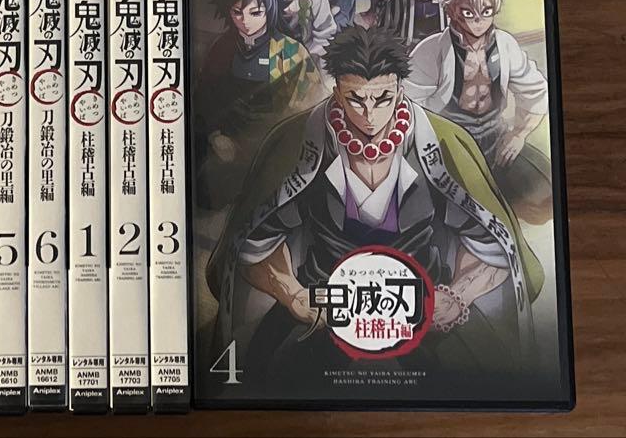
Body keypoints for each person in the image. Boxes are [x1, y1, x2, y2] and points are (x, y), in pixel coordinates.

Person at [205, 25, 542, 396]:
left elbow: (491, 245)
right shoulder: (300, 141)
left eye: (383, 98)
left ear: (400, 89)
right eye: (356, 99)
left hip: (422, 301)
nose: (369, 115)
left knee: (480, 387)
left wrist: (460, 294)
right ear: (337, 91)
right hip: (324, 303)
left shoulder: (440, 142)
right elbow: (255, 244)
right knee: (267, 389)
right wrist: (290, 292)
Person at [403, 0, 552, 224]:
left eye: (486, 10)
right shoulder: (431, 51)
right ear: (450, 8)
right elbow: (406, 107)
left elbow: (537, 91)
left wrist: (519, 134)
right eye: (468, 11)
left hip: (497, 142)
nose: (478, 19)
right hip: (448, 147)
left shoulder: (505, 45)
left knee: (545, 198)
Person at [196, 0, 326, 206]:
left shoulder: (290, 51)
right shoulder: (222, 49)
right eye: (237, 13)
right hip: (228, 143)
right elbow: (205, 97)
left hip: (276, 145)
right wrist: (215, 135)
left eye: (255, 13)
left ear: (270, 8)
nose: (245, 21)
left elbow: (311, 107)